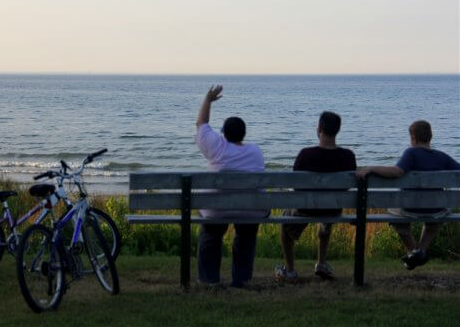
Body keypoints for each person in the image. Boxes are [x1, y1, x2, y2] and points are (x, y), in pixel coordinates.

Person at [356, 120, 460, 270]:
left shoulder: (411, 153)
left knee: (393, 213)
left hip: (410, 209)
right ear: (430, 137)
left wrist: (371, 168)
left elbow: (397, 171)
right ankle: (421, 250)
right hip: (435, 209)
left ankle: (414, 251)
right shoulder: (442, 157)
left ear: (413, 138)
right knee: (437, 218)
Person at [195, 85, 268, 288]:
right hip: (250, 212)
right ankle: (241, 280)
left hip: (215, 212)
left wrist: (208, 100)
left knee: (210, 231)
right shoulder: (256, 152)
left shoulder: (217, 147)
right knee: (246, 233)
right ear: (243, 134)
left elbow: (201, 123)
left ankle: (209, 280)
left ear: (223, 134)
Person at [275, 111, 356, 283]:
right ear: (337, 131)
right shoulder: (348, 156)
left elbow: (296, 184)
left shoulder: (305, 154)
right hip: (333, 210)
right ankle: (321, 263)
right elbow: (348, 185)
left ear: (319, 129)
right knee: (326, 218)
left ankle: (289, 270)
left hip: (305, 209)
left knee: (285, 222)